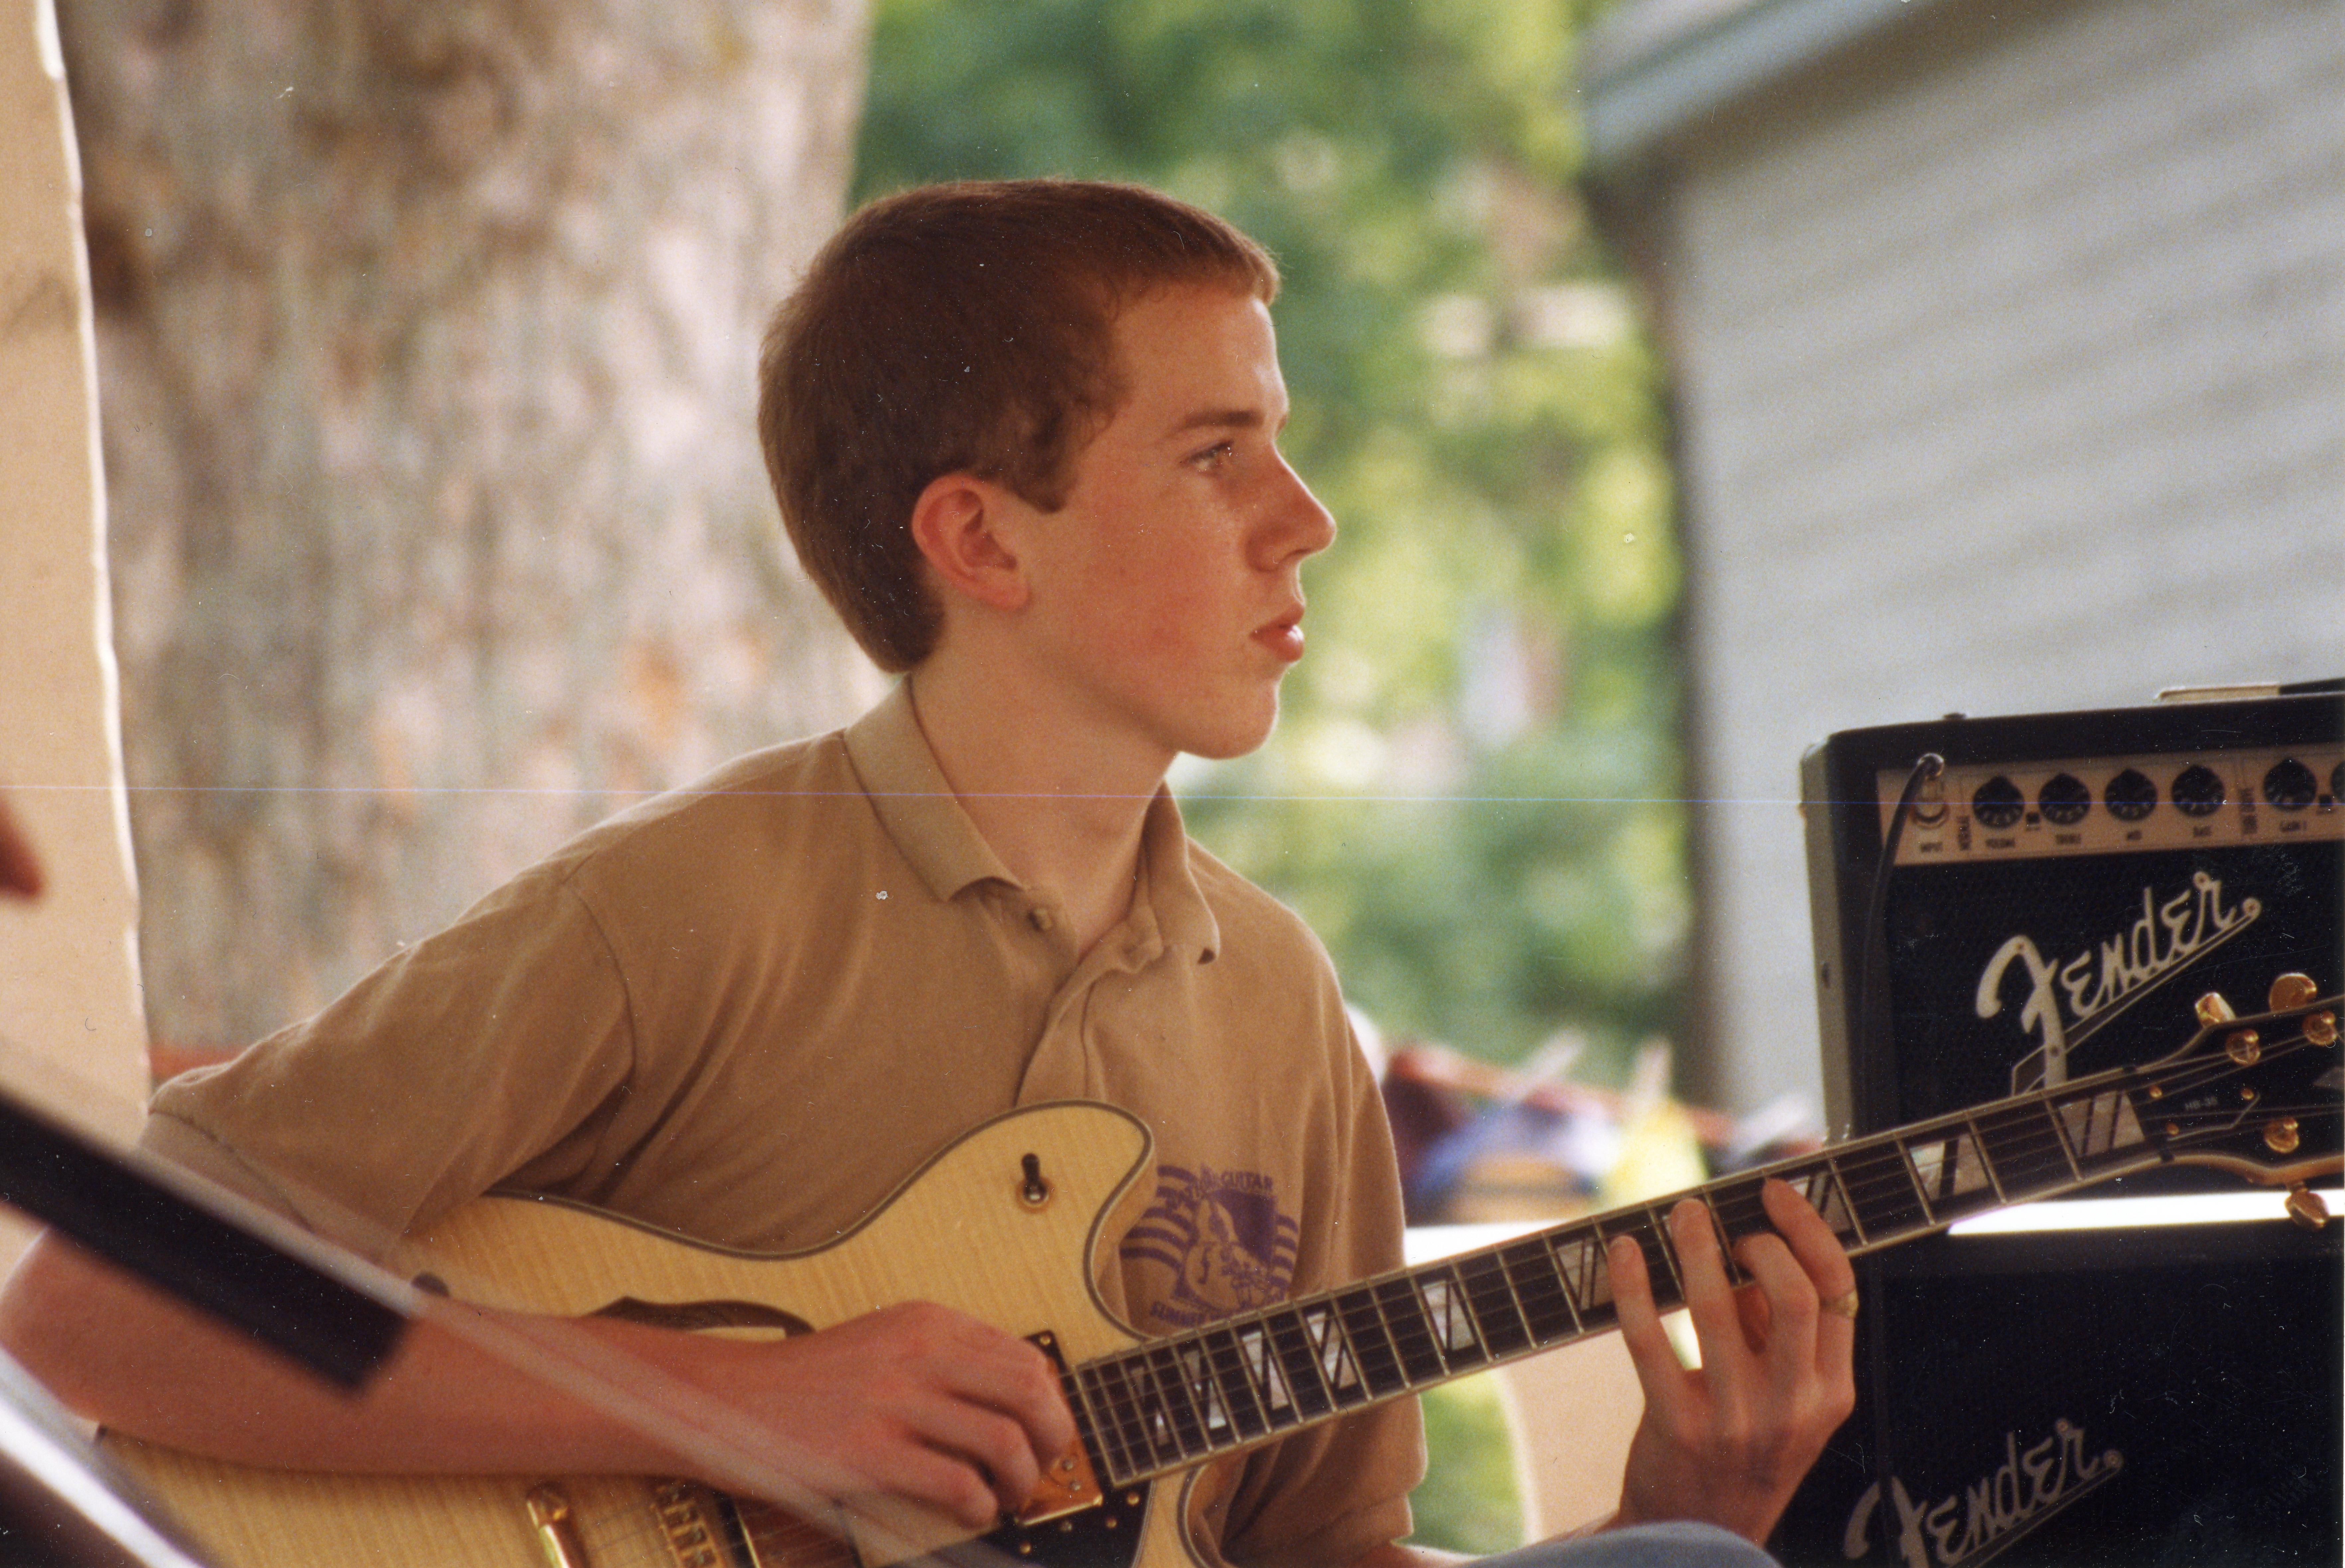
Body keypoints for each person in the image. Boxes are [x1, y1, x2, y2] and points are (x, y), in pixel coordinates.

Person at [0, 180, 1853, 1568]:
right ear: (981, 538)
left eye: (1280, 450)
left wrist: (1677, 1508)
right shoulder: (686, 912)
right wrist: (737, 1409)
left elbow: (1318, 1555)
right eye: (1218, 457)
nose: (1309, 521)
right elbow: (97, 1318)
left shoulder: (1279, 1001)